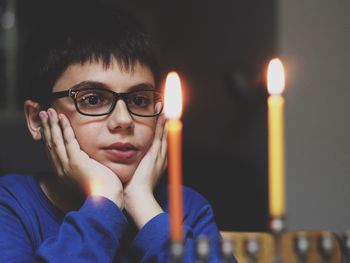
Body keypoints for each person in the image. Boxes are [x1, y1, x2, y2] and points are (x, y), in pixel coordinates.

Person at [0, 1, 237, 262]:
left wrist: (144, 205)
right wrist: (104, 201)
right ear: (36, 119)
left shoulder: (187, 208)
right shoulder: (11, 206)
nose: (124, 120)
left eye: (139, 100)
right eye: (92, 100)